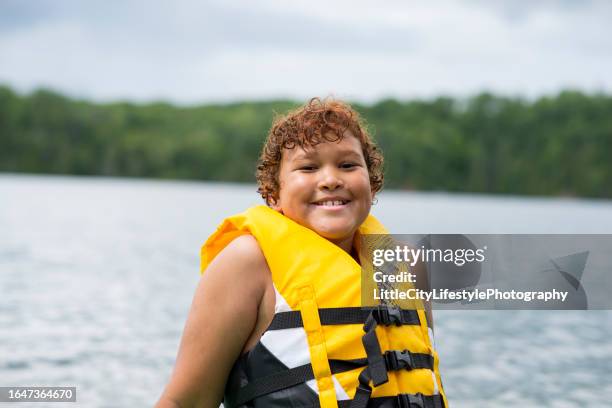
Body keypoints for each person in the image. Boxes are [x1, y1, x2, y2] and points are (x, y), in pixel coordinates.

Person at [156, 98, 447, 408]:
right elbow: (183, 401)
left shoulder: (406, 264)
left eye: (348, 165)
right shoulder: (247, 264)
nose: (331, 180)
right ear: (273, 192)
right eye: (308, 167)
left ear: (372, 184)